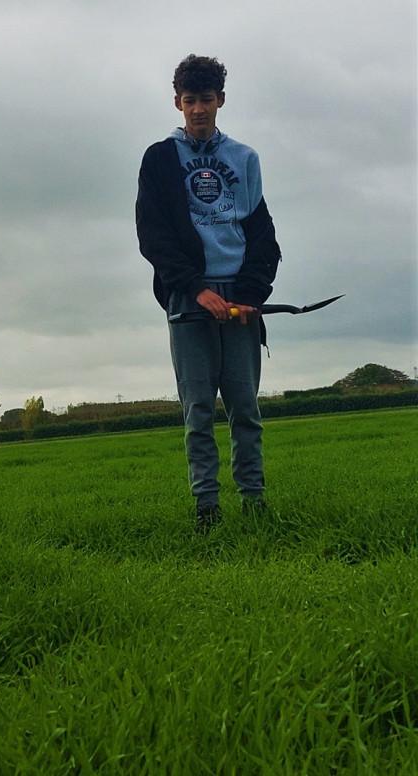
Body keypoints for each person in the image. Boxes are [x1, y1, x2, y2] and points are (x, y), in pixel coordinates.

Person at [135, 55, 281, 532]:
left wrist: (250, 294)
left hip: (240, 298)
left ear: (221, 100)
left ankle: (255, 503)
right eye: (190, 100)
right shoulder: (159, 159)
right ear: (177, 102)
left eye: (207, 99)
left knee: (245, 408)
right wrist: (196, 289)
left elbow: (262, 234)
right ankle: (207, 509)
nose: (199, 109)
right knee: (198, 410)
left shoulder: (245, 158)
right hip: (189, 299)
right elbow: (153, 235)